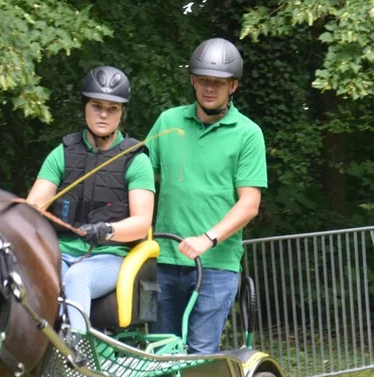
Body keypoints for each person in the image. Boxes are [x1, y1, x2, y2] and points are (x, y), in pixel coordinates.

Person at [145, 38, 267, 353]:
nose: (209, 88)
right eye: (203, 80)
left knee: (198, 355)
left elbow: (249, 204)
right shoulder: (169, 122)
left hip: (216, 264)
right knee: (161, 355)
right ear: (192, 81)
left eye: (218, 82)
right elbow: (140, 179)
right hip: (165, 259)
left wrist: (207, 238)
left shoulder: (248, 133)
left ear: (233, 86)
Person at [26, 66, 155, 336]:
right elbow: (33, 205)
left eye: (113, 108)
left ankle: (78, 357)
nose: (104, 114)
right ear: (85, 107)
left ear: (122, 112)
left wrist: (108, 230)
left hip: (109, 256)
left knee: (78, 277)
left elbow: (142, 224)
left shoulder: (136, 159)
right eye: (96, 106)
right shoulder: (62, 153)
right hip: (60, 252)